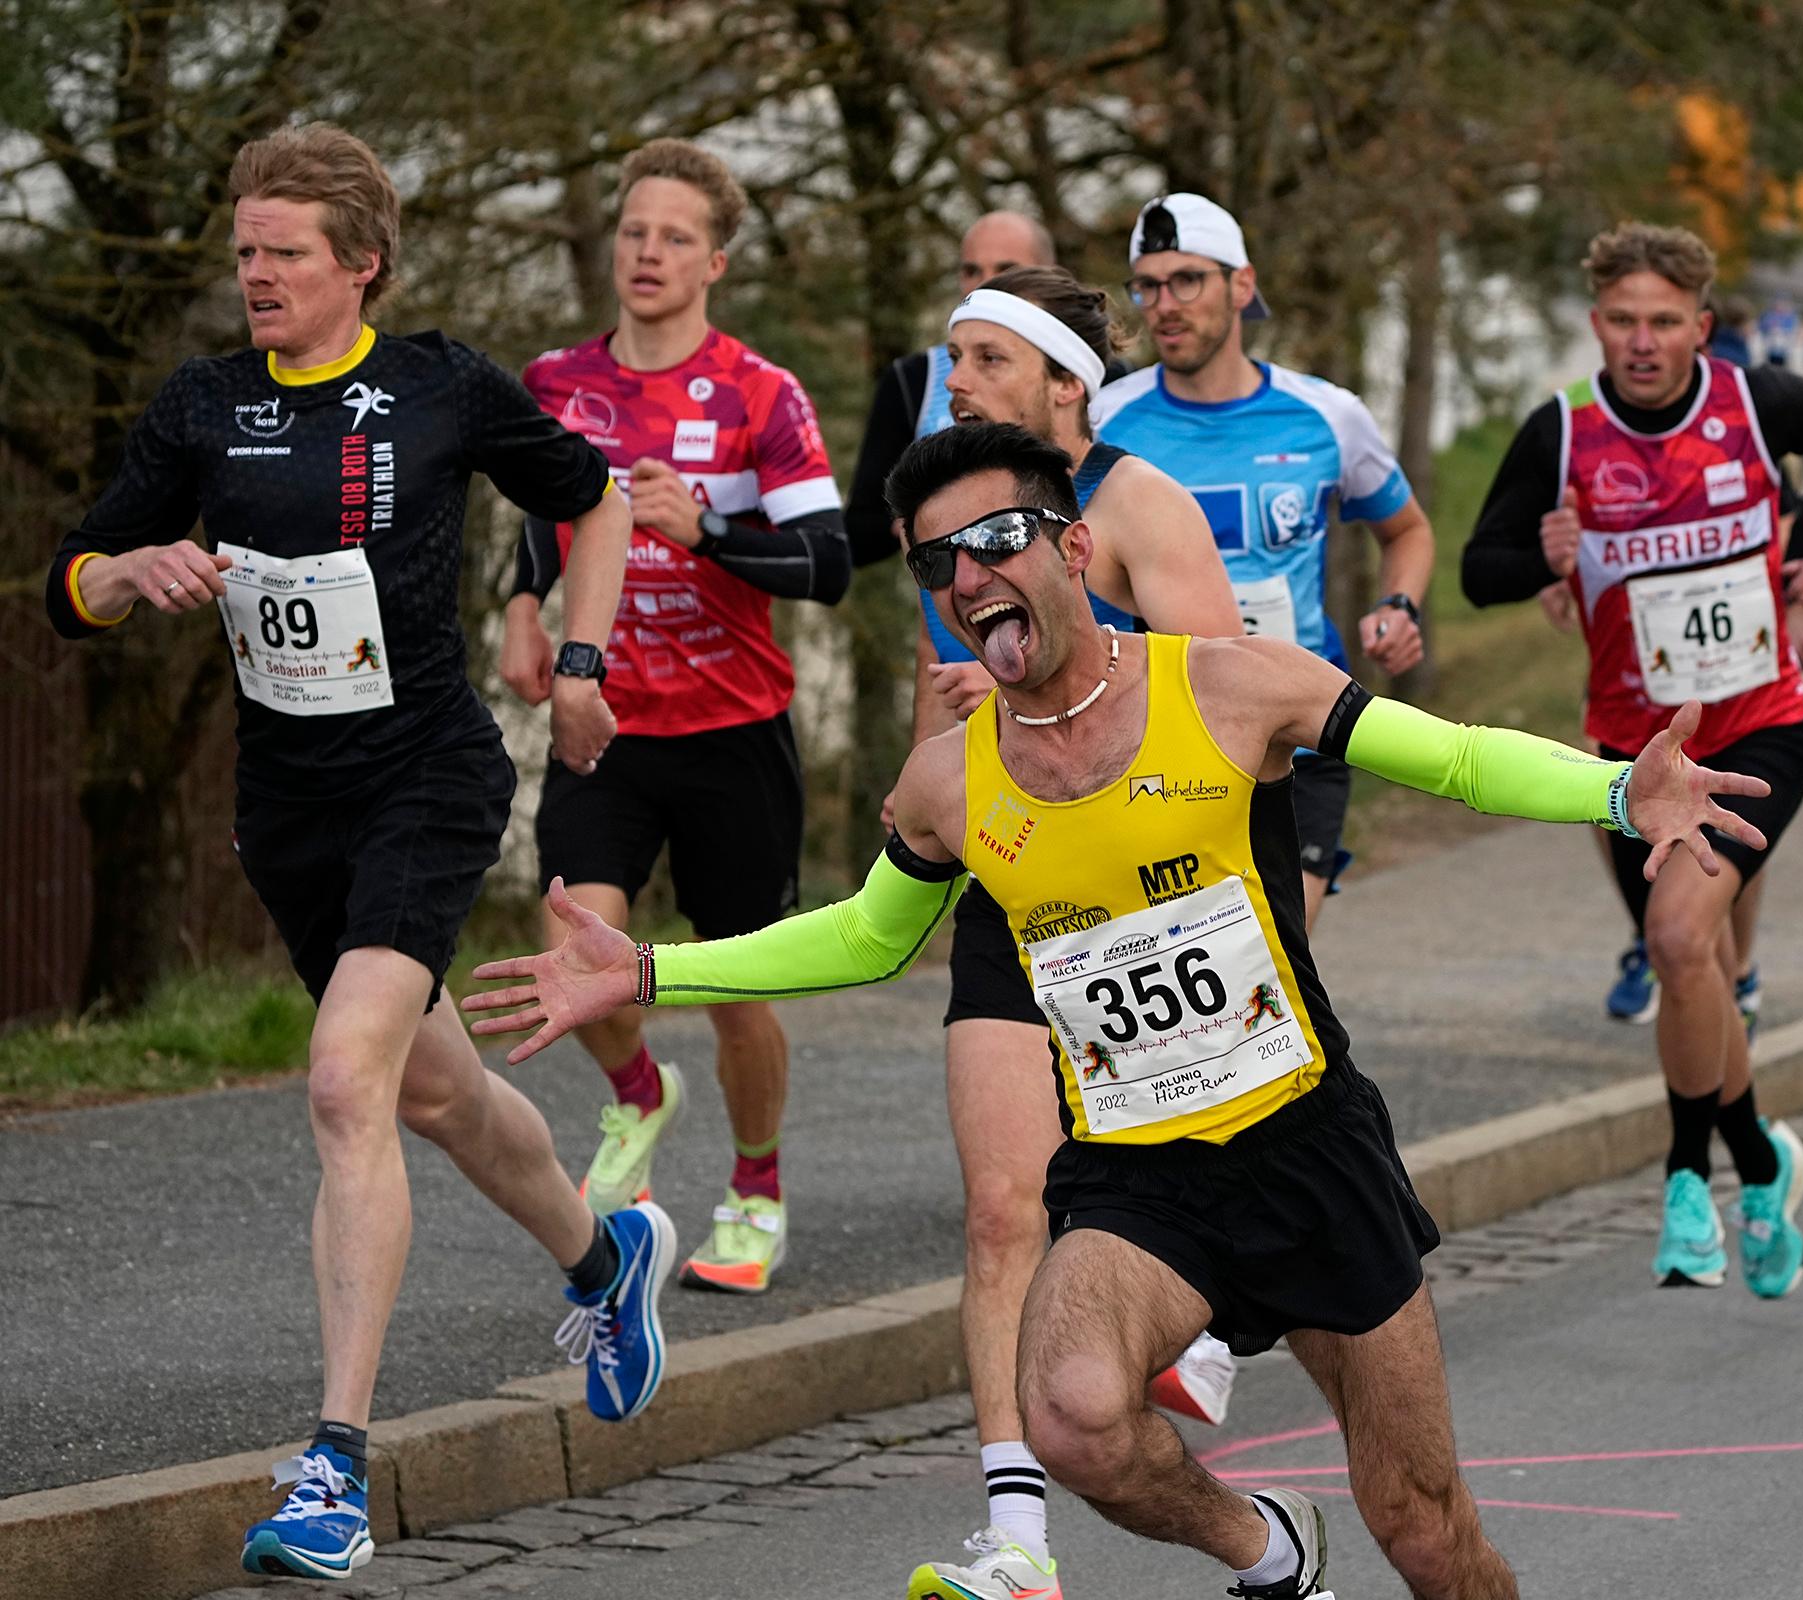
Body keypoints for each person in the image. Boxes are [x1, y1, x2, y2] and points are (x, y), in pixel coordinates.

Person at [466, 421, 1777, 1600]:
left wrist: (1619, 793)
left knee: (1425, 1532)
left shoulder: (1230, 686)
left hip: (1306, 1146)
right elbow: (866, 935)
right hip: (1137, 1177)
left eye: (996, 540)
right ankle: (1266, 1551)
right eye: (939, 563)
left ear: (1075, 548)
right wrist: (649, 972)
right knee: (1073, 1416)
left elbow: (1457, 759)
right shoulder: (947, 784)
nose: (970, 576)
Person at [43, 124, 666, 1582]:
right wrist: (131, 570)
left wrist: (581, 662)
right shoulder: (205, 404)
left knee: (343, 1081)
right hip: (290, 803)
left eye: (284, 253)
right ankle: (608, 1257)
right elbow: (77, 579)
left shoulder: (440, 383)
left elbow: (595, 498)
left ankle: (333, 1469)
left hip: (426, 776)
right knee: (435, 1092)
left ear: (362, 264)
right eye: (244, 252)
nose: (254, 275)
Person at [901, 265, 1247, 1600]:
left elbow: (1221, 702)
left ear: (1066, 386)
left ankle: (1205, 1316)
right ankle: (1019, 1543)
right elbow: (936, 729)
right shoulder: (947, 514)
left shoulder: (1138, 503)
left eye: (989, 359)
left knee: (1194, 1183)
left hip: (1152, 898)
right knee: (1002, 1209)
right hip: (1012, 877)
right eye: (952, 359)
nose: (960, 383)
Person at [1462, 221, 1803, 1297]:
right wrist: (1541, 558)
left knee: (1677, 936)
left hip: (1759, 729)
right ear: (1596, 324)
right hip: (1634, 757)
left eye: (1663, 322)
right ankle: (1764, 1165)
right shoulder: (1564, 430)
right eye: (1622, 321)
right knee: (1691, 965)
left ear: (1702, 326)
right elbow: (1477, 571)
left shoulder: (1754, 403)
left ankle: (1687, 1181)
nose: (1643, 342)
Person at [502, 139, 851, 1294]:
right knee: (573, 942)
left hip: (734, 730)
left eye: (676, 237)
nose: (648, 253)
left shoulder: (762, 393)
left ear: (717, 262)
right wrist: (521, 606)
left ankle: (755, 1188)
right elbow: (538, 516)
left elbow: (829, 563)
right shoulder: (557, 382)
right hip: (606, 722)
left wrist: (707, 533)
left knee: (734, 984)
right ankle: (638, 1094)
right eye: (633, 231)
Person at [1096, 193, 1435, 931]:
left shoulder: (1328, 415)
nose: (1164, 305)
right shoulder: (1103, 419)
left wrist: (1398, 605)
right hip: (1161, 748)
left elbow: (1407, 530)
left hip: (1299, 727)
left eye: (1187, 280)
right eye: (1147, 286)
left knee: (1278, 954)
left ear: (1241, 285)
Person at [844, 211, 1058, 571]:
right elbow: (859, 532)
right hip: (954, 603)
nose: (986, 285)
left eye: (1006, 270)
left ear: (1050, 277)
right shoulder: (917, 378)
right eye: (971, 271)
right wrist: (934, 522)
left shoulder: (1097, 376)